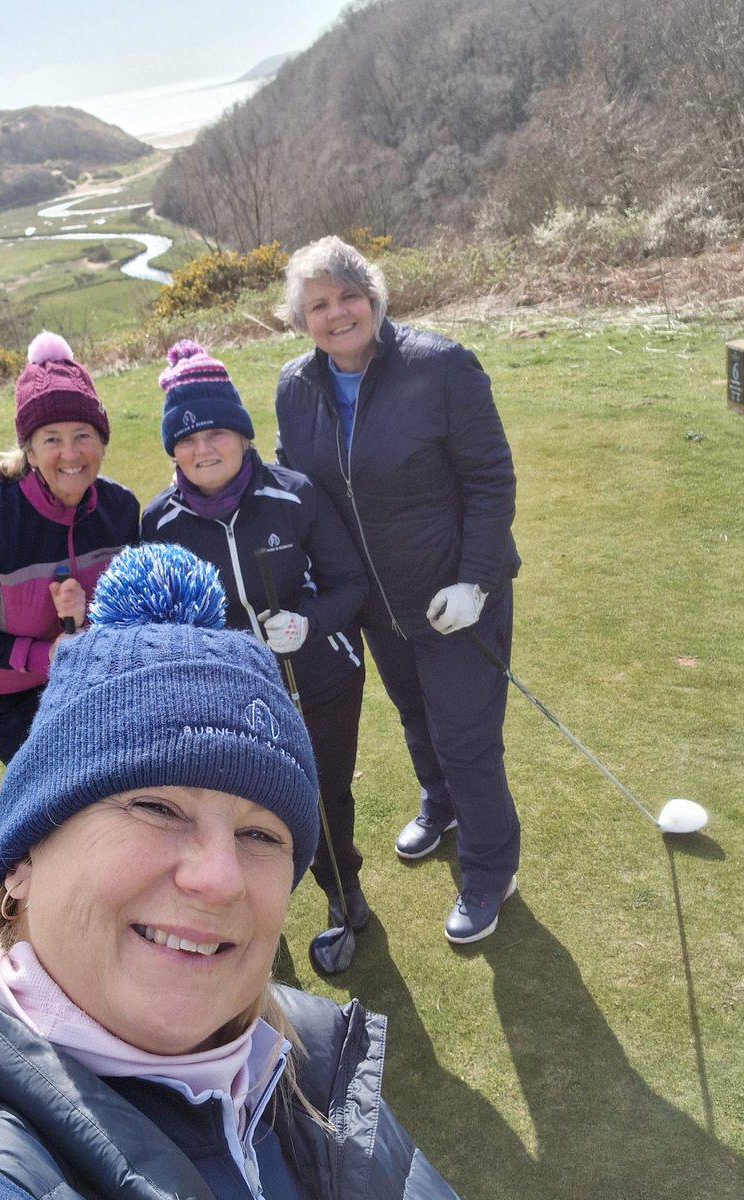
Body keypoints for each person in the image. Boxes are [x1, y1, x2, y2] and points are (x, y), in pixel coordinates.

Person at [0, 542, 461, 1200]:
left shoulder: (317, 1051)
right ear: (23, 861)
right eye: (157, 806)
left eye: (259, 833)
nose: (220, 878)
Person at [275, 235, 522, 945]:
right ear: (304, 319)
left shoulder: (441, 366)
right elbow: (299, 493)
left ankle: (489, 870)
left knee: (465, 736)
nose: (338, 312)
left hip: (455, 599)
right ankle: (439, 806)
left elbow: (490, 480)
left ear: (375, 297)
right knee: (416, 717)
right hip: (374, 605)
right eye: (319, 303)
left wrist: (475, 580)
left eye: (350, 295)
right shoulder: (297, 387)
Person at [141, 340, 371, 947]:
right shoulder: (157, 523)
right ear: (174, 451)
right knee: (237, 808)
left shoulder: (293, 494)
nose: (202, 448)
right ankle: (238, 915)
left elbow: (351, 584)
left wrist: (308, 623)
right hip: (231, 694)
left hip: (322, 679)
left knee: (324, 796)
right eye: (186, 439)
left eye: (215, 431)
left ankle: (344, 894)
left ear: (242, 435)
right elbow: (165, 623)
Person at [0, 331, 140, 764]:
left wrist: (83, 623)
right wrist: (45, 655)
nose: (70, 453)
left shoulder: (121, 509)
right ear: (29, 449)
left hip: (70, 666)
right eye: (51, 439)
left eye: (83, 434)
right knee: (55, 779)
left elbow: (125, 605)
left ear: (103, 440)